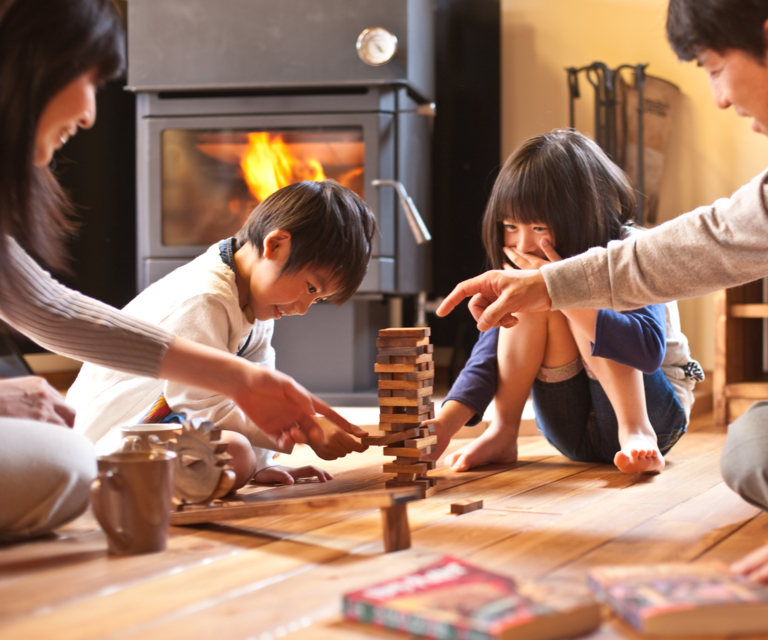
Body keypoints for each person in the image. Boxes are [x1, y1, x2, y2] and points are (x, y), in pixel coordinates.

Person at [437, 0, 768, 595]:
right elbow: (721, 237)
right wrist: (547, 285)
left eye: (714, 68)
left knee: (762, 447)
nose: (718, 99)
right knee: (763, 449)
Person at [0, 0, 361, 541]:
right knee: (69, 466)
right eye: (88, 77)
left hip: (132, 430)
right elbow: (198, 404)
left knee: (70, 462)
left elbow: (51, 309)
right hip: (118, 432)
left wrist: (251, 391)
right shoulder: (206, 295)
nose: (92, 114)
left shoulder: (253, 310)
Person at [67, 180, 375, 489]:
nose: (305, 308)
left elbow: (259, 389)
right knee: (234, 453)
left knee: (239, 456)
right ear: (276, 246)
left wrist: (263, 462)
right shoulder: (204, 298)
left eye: (317, 298)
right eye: (310, 288)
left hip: (170, 421)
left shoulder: (257, 302)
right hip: (112, 438)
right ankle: (121, 483)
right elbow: (201, 405)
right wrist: (305, 433)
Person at [426, 130, 700, 475]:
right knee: (534, 300)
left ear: (582, 213)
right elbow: (489, 352)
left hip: (655, 419)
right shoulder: (522, 263)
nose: (523, 244)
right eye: (510, 226)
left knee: (569, 290)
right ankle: (502, 432)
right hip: (568, 429)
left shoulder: (631, 250)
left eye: (539, 227)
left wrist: (559, 287)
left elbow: (645, 351)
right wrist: (445, 425)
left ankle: (634, 429)